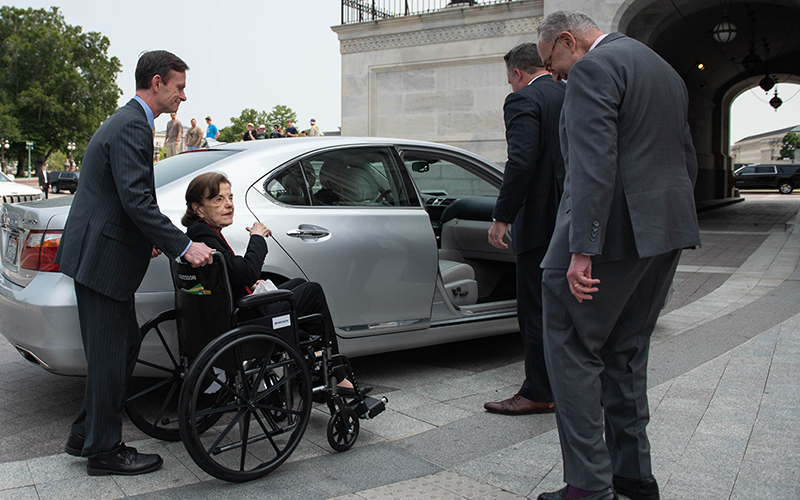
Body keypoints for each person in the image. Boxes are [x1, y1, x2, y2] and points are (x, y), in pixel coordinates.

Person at [534, 11, 701, 500]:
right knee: (626, 355)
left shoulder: (593, 68)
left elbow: (593, 159)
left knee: (571, 352)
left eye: (554, 65)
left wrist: (583, 246)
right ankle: (633, 476)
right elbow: (684, 156)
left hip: (606, 237)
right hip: (663, 231)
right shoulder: (663, 70)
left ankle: (588, 488)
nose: (558, 76)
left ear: (569, 40)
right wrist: (670, 221)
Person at [55, 50, 215, 477]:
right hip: (102, 260)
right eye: (179, 87)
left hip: (102, 254)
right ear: (158, 82)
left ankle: (85, 434)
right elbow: (136, 197)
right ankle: (104, 452)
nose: (184, 95)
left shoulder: (128, 121)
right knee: (112, 353)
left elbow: (118, 198)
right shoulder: (132, 125)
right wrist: (183, 246)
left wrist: (144, 238)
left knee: (121, 346)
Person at [181, 172, 361, 392]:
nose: (229, 205)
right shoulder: (205, 238)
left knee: (297, 283)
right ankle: (334, 373)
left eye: (230, 198)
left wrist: (248, 285)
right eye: (218, 199)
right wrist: (257, 237)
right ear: (198, 208)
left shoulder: (198, 234)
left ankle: (312, 366)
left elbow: (229, 276)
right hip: (242, 318)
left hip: (224, 313)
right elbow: (246, 272)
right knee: (312, 292)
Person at [483, 43, 565, 416]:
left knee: (535, 311)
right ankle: (573, 388)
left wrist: (503, 216)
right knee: (572, 310)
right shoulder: (570, 93)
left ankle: (539, 392)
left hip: (539, 222)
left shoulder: (522, 100)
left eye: (509, 79)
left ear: (517, 73)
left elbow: (521, 160)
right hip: (575, 217)